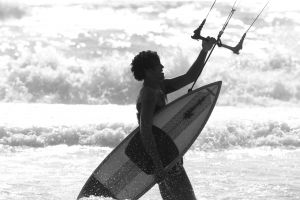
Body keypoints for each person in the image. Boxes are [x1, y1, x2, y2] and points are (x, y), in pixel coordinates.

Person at [130, 37, 215, 200]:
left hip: (168, 156)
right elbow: (145, 131)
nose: (162, 67)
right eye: (158, 66)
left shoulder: (160, 87)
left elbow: (190, 77)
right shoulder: (148, 94)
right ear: (148, 71)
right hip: (163, 160)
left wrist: (204, 50)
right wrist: (158, 165)